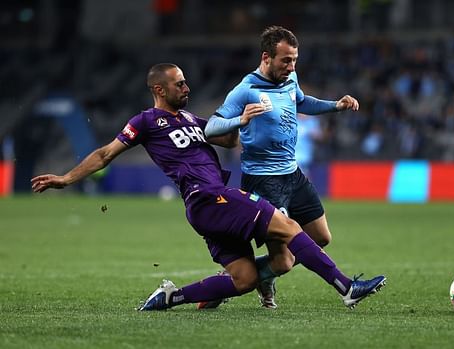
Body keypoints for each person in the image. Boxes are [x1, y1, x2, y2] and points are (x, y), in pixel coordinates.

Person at [31, 63, 386, 311]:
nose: (186, 88)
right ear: (159, 89)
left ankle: (170, 298)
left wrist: (243, 119)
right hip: (208, 197)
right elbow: (106, 153)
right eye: (179, 83)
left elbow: (227, 139)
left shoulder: (190, 119)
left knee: (244, 279)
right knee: (288, 227)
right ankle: (346, 287)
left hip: (208, 205)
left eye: (185, 82)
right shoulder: (146, 121)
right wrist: (65, 178)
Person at [205, 26, 361, 308]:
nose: (291, 66)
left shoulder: (291, 80)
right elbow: (211, 127)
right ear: (266, 57)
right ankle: (235, 281)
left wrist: (334, 106)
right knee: (285, 261)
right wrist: (239, 121)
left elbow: (301, 102)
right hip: (263, 180)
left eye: (294, 60)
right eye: (285, 60)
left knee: (321, 237)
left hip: (293, 174)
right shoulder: (246, 90)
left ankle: (261, 275)